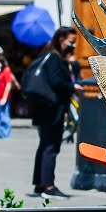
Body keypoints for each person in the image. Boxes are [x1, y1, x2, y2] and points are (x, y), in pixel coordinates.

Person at [25, 27, 76, 198]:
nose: (73, 46)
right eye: (71, 42)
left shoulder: (45, 55)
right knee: (51, 146)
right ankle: (48, 186)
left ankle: (39, 184)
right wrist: (73, 87)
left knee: (44, 145)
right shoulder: (54, 58)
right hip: (52, 109)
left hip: (42, 107)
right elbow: (57, 82)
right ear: (62, 39)